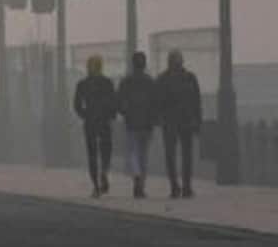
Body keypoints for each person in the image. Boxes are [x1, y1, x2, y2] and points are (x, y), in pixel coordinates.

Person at [156, 49, 202, 199]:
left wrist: (160, 118)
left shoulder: (164, 79)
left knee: (174, 155)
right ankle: (183, 187)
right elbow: (196, 101)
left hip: (175, 121)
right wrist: (197, 120)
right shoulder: (189, 78)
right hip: (182, 121)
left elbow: (158, 102)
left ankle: (178, 187)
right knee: (183, 155)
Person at [72, 55, 118, 197]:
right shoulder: (107, 83)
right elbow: (113, 101)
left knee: (92, 154)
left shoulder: (82, 84)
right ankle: (104, 170)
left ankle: (96, 186)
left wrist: (84, 115)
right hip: (104, 121)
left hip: (90, 122)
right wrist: (111, 115)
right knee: (106, 151)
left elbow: (77, 105)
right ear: (100, 66)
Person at [116, 51, 158, 199]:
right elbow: (155, 103)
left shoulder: (126, 81)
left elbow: (119, 102)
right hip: (147, 124)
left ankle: (137, 177)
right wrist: (154, 119)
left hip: (131, 122)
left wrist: (125, 112)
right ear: (144, 64)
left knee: (132, 153)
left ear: (132, 64)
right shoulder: (150, 82)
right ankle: (141, 185)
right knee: (143, 155)